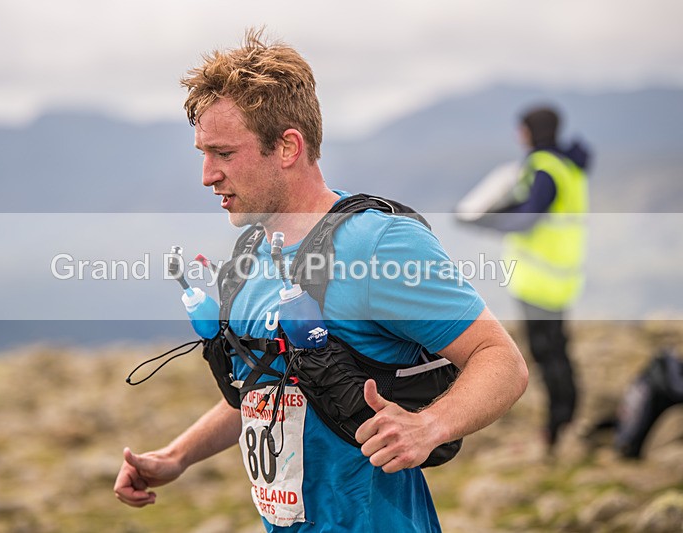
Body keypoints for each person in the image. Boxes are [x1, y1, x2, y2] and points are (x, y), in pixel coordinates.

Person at [114, 29, 529, 532]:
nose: (207, 175)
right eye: (202, 153)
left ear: (288, 146)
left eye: (223, 153)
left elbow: (500, 360)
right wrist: (177, 456)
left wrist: (427, 427)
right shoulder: (252, 251)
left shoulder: (378, 244)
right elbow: (272, 384)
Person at [463, 105, 591, 454]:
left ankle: (558, 426)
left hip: (539, 281)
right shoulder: (568, 167)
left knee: (547, 352)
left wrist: (483, 221)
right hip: (561, 277)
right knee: (558, 349)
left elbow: (527, 217)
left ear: (530, 131)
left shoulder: (543, 167)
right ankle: (566, 417)